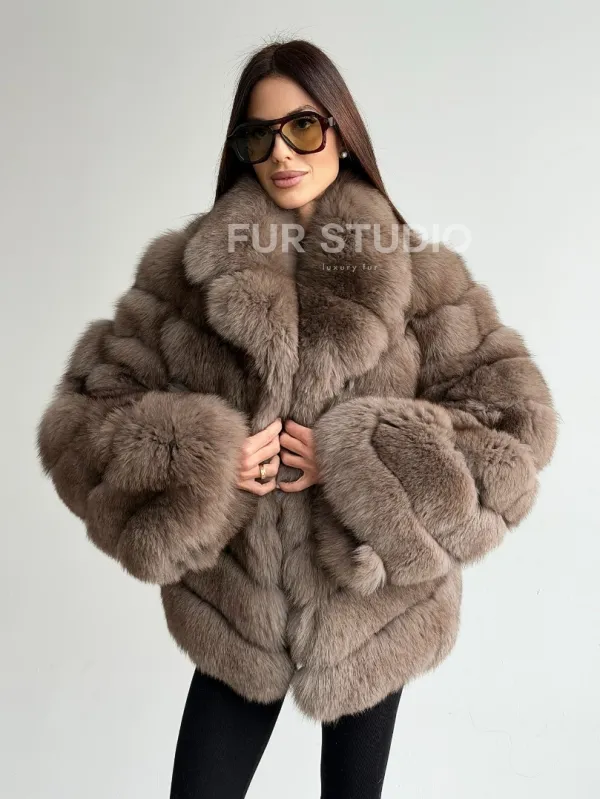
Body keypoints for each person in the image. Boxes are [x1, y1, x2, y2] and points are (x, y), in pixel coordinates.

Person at [36, 38, 558, 799]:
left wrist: (360, 459)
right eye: (259, 136)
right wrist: (207, 457)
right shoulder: (187, 274)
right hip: (238, 615)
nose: (281, 152)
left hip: (372, 608)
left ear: (342, 133)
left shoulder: (420, 276)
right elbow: (83, 421)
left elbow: (516, 429)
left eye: (303, 128)